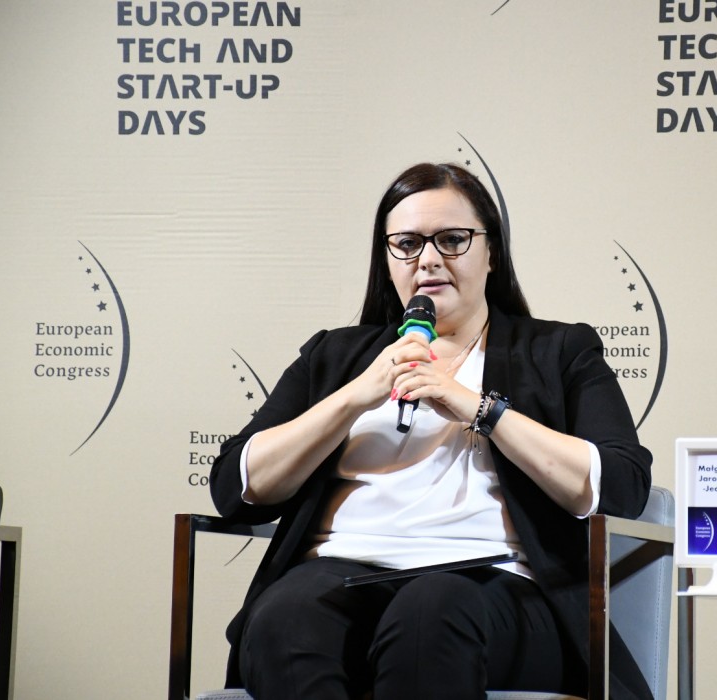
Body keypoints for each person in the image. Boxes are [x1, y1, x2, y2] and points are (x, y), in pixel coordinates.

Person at [210, 162, 653, 700]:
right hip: (339, 575)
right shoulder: (335, 355)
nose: (428, 260)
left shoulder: (559, 351)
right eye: (407, 244)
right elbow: (237, 485)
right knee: (285, 619)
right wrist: (356, 396)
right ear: (387, 259)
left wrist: (479, 409)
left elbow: (622, 485)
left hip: (495, 589)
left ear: (491, 253)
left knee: (429, 611)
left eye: (452, 240)